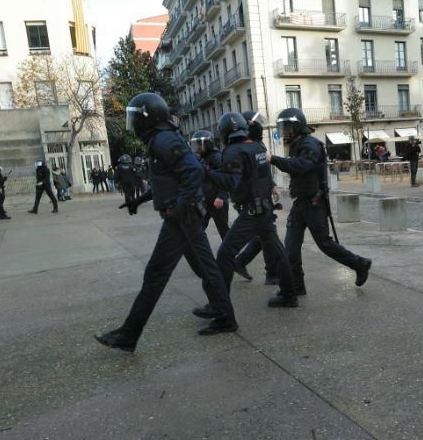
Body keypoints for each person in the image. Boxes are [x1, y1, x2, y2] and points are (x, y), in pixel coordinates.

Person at [95, 93, 237, 353]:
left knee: (156, 274)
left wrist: (181, 207)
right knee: (207, 269)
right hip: (183, 216)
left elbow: (193, 171)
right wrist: (140, 199)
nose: (133, 123)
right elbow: (167, 181)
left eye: (135, 117)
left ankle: (129, 334)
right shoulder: (161, 138)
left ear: (148, 118)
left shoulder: (163, 139)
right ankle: (225, 317)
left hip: (181, 218)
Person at [268, 107, 372, 296]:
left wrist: (273, 159)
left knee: (325, 244)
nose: (284, 132)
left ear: (297, 127)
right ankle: (296, 287)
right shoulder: (297, 144)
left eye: (287, 128)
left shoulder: (310, 145)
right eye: (282, 128)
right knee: (290, 247)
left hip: (314, 204)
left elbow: (301, 166)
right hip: (300, 203)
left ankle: (360, 264)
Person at [206, 112, 298, 307]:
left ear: (224, 132)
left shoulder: (232, 151)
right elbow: (264, 175)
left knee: (225, 254)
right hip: (264, 208)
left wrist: (204, 174)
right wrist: (271, 189)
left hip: (251, 211)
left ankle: (219, 308)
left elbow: (231, 181)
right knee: (278, 250)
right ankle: (289, 294)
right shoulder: (257, 147)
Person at [232, 111, 280, 285]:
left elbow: (263, 172)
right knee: (267, 236)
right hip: (254, 201)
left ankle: (241, 262)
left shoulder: (258, 145)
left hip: (262, 197)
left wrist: (272, 185)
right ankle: (271, 273)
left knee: (265, 236)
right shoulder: (244, 148)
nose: (260, 127)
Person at [190, 129, 229, 239]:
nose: (197, 147)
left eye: (200, 144)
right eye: (196, 144)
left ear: (208, 144)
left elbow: (225, 177)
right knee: (198, 227)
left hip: (217, 200)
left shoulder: (217, 157)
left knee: (223, 230)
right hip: (205, 199)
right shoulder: (202, 158)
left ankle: (230, 253)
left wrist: (221, 196)